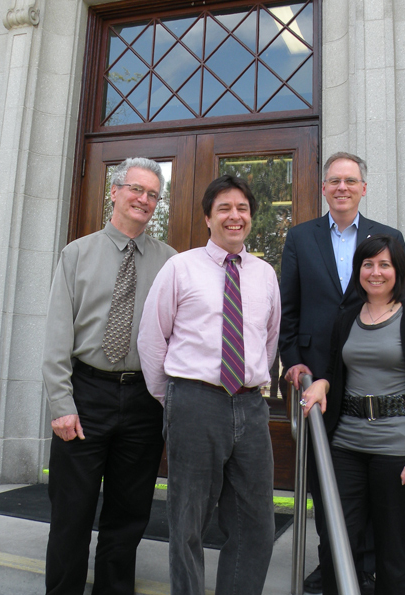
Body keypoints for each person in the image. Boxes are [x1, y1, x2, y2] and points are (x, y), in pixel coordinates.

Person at [137, 174, 281, 595]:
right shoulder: (180, 267)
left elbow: (268, 339)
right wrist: (174, 399)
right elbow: (152, 339)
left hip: (250, 406)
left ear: (250, 217)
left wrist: (251, 379)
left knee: (256, 523)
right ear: (208, 218)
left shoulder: (264, 274)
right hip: (195, 402)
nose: (235, 216)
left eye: (242, 209)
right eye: (224, 208)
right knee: (188, 523)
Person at [279, 151, 405, 594]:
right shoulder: (300, 237)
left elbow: (403, 307)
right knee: (326, 476)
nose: (342, 187)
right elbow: (288, 309)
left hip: (371, 375)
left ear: (363, 188)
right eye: (334, 180)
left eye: (350, 180)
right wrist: (292, 361)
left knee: (374, 475)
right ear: (323, 188)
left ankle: (367, 563)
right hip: (317, 375)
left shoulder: (387, 237)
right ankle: (331, 561)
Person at [42, 157, 177, 595]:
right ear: (115, 192)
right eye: (136, 189)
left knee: (128, 516)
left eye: (153, 194)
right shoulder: (77, 254)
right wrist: (61, 405)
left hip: (143, 400)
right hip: (85, 396)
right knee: (71, 514)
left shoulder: (170, 262)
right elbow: (56, 338)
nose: (144, 199)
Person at [300, 234, 405, 595]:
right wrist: (323, 384)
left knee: (391, 558)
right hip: (345, 447)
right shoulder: (346, 319)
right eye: (367, 264)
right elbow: (335, 370)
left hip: (397, 450)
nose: (375, 272)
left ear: (398, 271)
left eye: (384, 264)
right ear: (358, 270)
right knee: (335, 549)